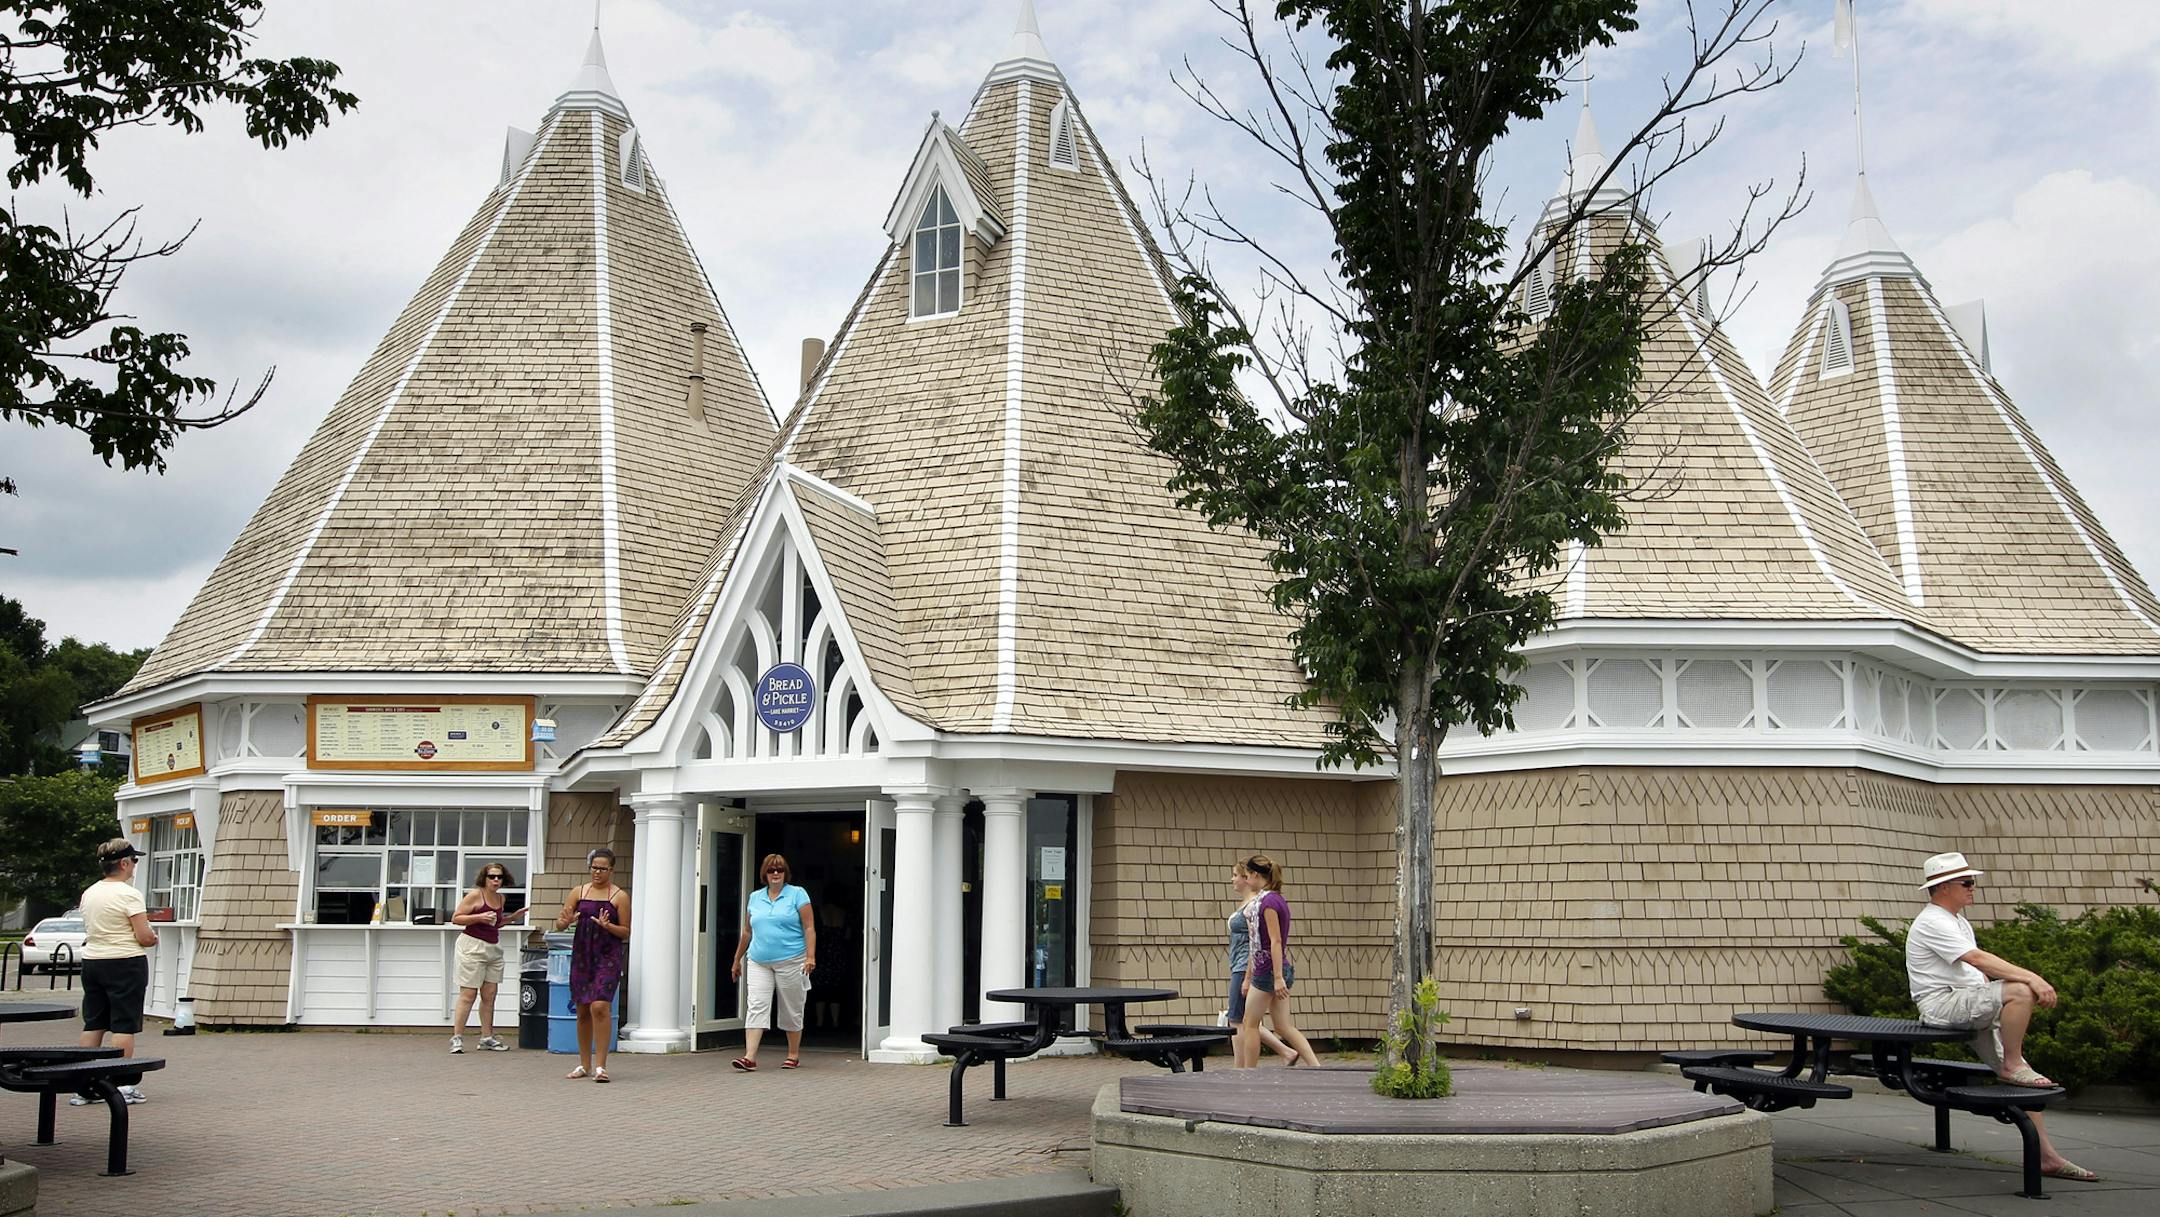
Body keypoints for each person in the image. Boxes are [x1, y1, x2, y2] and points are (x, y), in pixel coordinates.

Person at [1906, 851, 2095, 1183]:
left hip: (1965, 1004)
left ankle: (2046, 1157)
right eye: (1967, 882)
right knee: (2021, 991)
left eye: (1973, 881)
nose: (1973, 887)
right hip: (1943, 1006)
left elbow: (1973, 974)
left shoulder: (1957, 921)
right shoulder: (1933, 920)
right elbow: (1978, 959)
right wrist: (2032, 978)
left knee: (2028, 1081)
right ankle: (2011, 1063)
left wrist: (1993, 994)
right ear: (1945, 886)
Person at [72, 838, 158, 1105]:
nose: (134, 867)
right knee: (123, 1023)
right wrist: (153, 938)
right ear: (123, 863)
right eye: (133, 861)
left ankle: (82, 1083)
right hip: (124, 961)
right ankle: (120, 1084)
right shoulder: (128, 894)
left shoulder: (90, 893)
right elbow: (143, 936)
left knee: (95, 1021)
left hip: (93, 960)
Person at [729, 852, 816, 1071]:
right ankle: (749, 1056)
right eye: (771, 870)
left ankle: (793, 1054)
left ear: (785, 873)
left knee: (791, 1006)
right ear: (764, 874)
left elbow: (809, 927)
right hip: (758, 960)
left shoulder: (797, 894)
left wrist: (810, 956)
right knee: (756, 1004)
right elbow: (748, 932)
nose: (775, 873)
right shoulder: (755, 897)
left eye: (779, 870)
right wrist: (737, 959)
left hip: (792, 959)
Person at [1233, 854, 1319, 1069]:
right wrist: (1247, 977)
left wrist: (1277, 978)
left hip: (1269, 971)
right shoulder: (1271, 899)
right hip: (1271, 968)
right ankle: (1316, 1066)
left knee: (1249, 1024)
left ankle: (1249, 1073)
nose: (1245, 879)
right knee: (1282, 1026)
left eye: (1246, 875)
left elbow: (1275, 940)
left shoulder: (1268, 902)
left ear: (1254, 875)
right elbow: (1256, 942)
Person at [554, 848, 629, 1082]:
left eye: (602, 869)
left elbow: (626, 931)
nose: (597, 872)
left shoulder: (619, 896)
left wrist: (608, 927)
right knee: (583, 1009)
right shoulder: (578, 892)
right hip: (582, 954)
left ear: (611, 870)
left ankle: (601, 1066)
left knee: (600, 1006)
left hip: (608, 955)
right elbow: (560, 923)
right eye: (594, 868)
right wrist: (563, 922)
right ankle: (584, 1064)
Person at [1227, 860, 1300, 1066]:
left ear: (1249, 877)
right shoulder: (1257, 903)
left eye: (1237, 875)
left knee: (1239, 1020)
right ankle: (1290, 1054)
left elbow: (1261, 941)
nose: (1233, 879)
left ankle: (1242, 1069)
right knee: (1256, 1021)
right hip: (1247, 966)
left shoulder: (1258, 904)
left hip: (1249, 966)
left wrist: (1262, 976)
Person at [448, 863, 526, 1053]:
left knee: (489, 994)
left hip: (493, 948)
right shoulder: (476, 895)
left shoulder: (501, 898)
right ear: (484, 878)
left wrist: (512, 918)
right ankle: (457, 1037)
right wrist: (478, 917)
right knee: (468, 994)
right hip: (472, 946)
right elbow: (456, 918)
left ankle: (487, 1037)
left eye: (499, 877)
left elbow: (495, 924)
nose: (496, 880)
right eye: (492, 876)